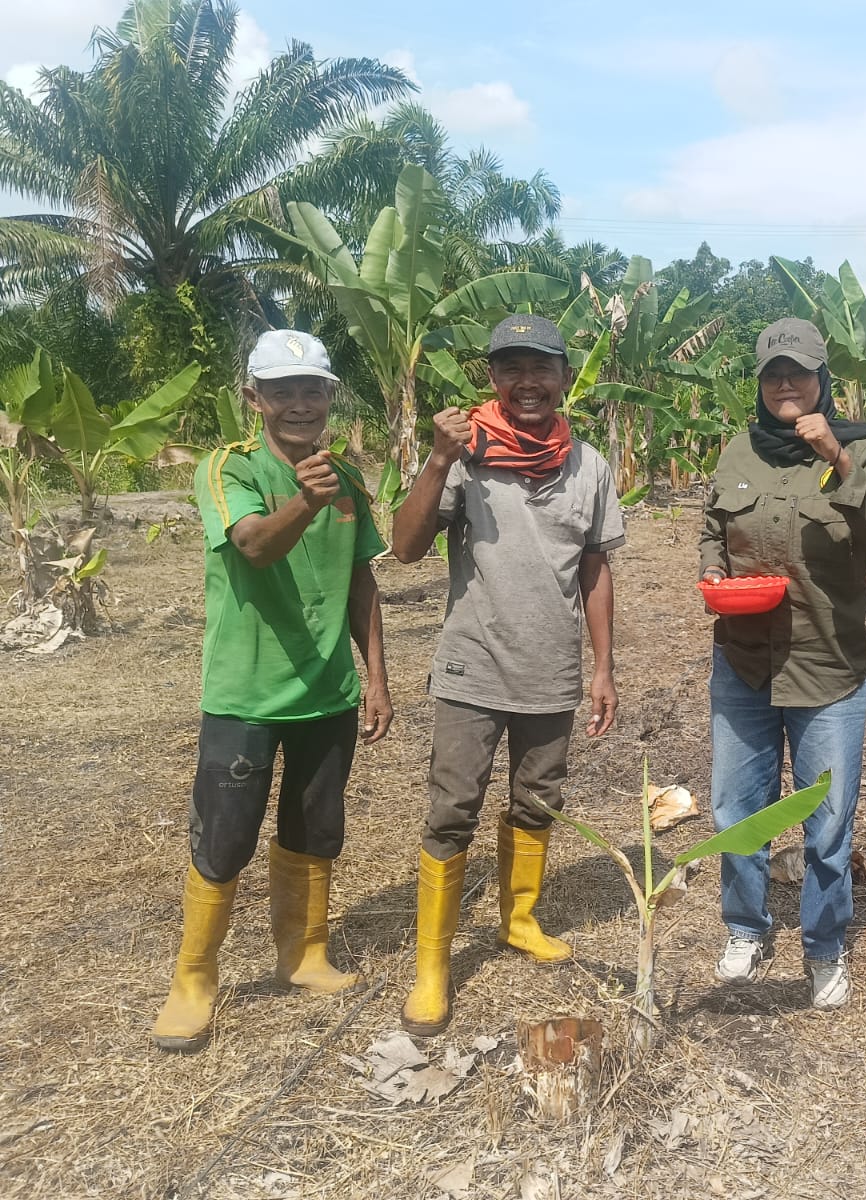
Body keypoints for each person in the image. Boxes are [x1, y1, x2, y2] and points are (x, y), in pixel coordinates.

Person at [154, 329, 391, 1053]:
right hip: (246, 695)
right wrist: (307, 503)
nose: (299, 404)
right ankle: (194, 979)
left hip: (329, 691)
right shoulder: (230, 467)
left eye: (312, 389)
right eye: (282, 391)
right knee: (224, 836)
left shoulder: (346, 480)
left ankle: (304, 953)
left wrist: (377, 677)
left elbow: (361, 580)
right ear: (253, 399)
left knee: (316, 828)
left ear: (329, 397)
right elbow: (255, 545)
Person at [391, 314, 624, 1037]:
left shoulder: (589, 466)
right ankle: (433, 965)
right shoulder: (465, 455)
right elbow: (405, 548)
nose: (527, 382)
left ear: (563, 378)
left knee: (539, 800)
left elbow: (595, 568)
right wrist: (437, 460)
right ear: (492, 378)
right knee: (453, 808)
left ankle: (518, 919)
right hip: (474, 665)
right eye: (511, 368)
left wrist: (604, 667)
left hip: (550, 669)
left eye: (541, 367)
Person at [700, 317, 866, 1010]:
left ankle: (824, 947)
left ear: (822, 377)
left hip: (828, 665)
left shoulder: (862, 445)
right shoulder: (739, 449)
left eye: (797, 371)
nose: (784, 383)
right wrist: (713, 571)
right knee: (738, 809)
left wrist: (838, 457)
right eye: (772, 374)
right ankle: (746, 929)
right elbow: (713, 527)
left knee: (827, 821)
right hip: (744, 660)